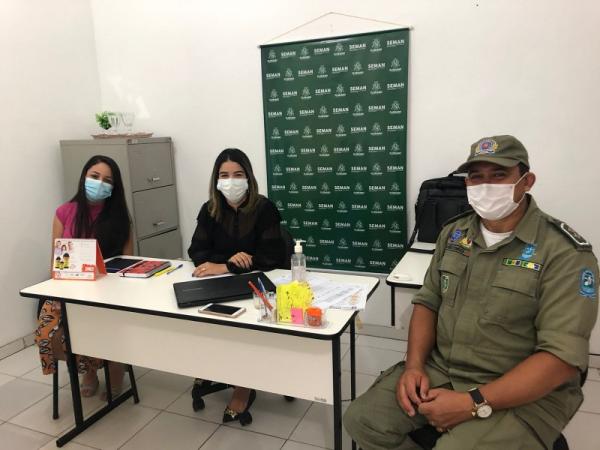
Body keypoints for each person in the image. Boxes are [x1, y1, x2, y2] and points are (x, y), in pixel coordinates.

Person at [344, 135, 599, 450]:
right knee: (361, 420)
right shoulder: (454, 233)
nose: (485, 186)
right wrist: (414, 366)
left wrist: (471, 402)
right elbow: (428, 302)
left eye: (498, 175)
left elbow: (561, 358)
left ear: (526, 181)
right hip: (444, 368)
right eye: (476, 176)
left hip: (520, 388)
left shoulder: (564, 253)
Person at [188, 147, 287, 425]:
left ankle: (244, 387)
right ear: (216, 180)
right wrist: (231, 261)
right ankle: (218, 367)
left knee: (244, 329)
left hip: (258, 289)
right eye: (224, 175)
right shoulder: (209, 209)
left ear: (249, 177)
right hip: (218, 286)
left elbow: (272, 258)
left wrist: (225, 265)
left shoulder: (264, 208)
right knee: (202, 321)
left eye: (238, 174)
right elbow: (196, 252)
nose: (231, 181)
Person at [35, 155, 133, 398]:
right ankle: (87, 369)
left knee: (98, 322)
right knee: (47, 331)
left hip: (108, 291)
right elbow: (55, 260)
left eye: (107, 180)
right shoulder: (64, 212)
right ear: (84, 178)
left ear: (114, 187)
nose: (100, 183)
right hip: (70, 289)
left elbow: (127, 264)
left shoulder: (119, 217)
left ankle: (114, 366)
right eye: (95, 176)